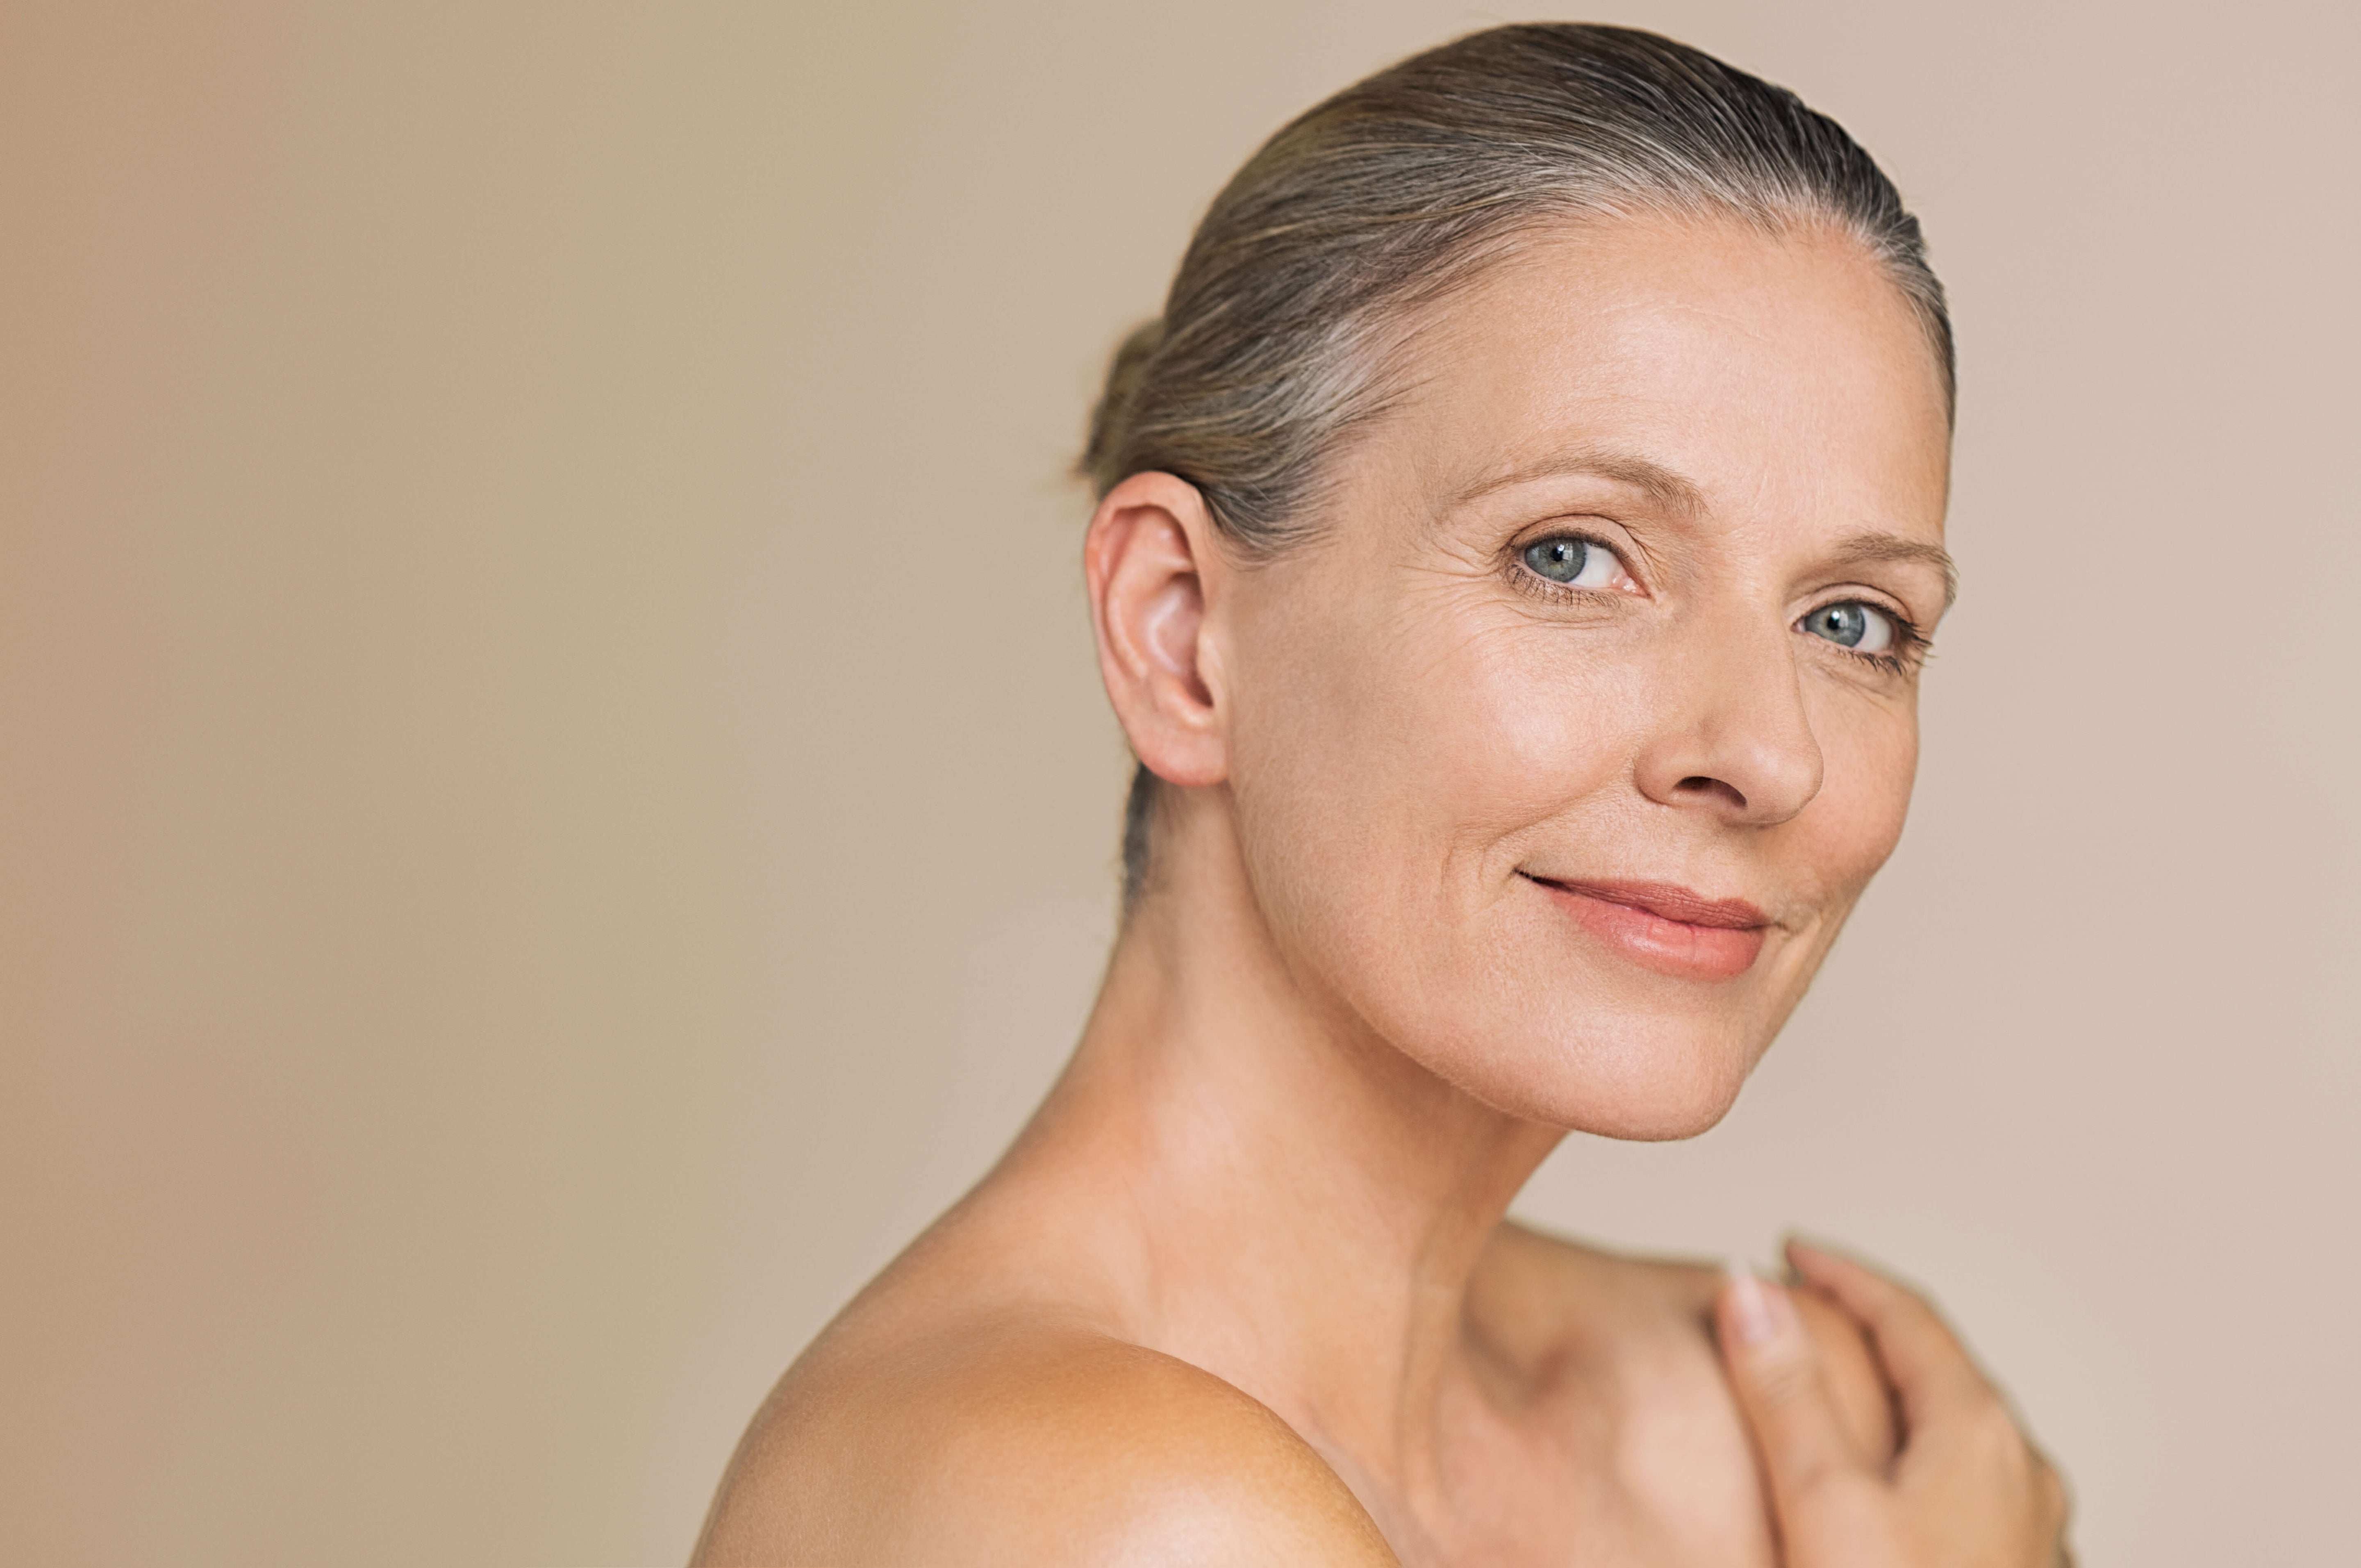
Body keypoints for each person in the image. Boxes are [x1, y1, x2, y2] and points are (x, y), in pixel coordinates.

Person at [694, 23, 2071, 1566]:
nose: (1767, 752)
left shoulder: (1751, 1422)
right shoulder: (1101, 1511)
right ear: (1181, 633)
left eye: (1852, 622)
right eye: (1571, 554)